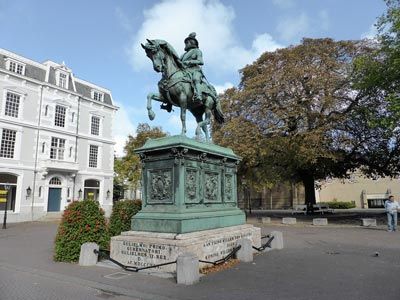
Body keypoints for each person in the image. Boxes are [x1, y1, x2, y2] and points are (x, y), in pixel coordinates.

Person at [180, 32, 204, 102]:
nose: (186, 44)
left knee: (196, 79)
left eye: (187, 43)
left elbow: (201, 62)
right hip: (185, 71)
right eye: (186, 43)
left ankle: (199, 95)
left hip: (195, 70)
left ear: (192, 43)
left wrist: (189, 62)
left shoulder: (197, 51)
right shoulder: (183, 55)